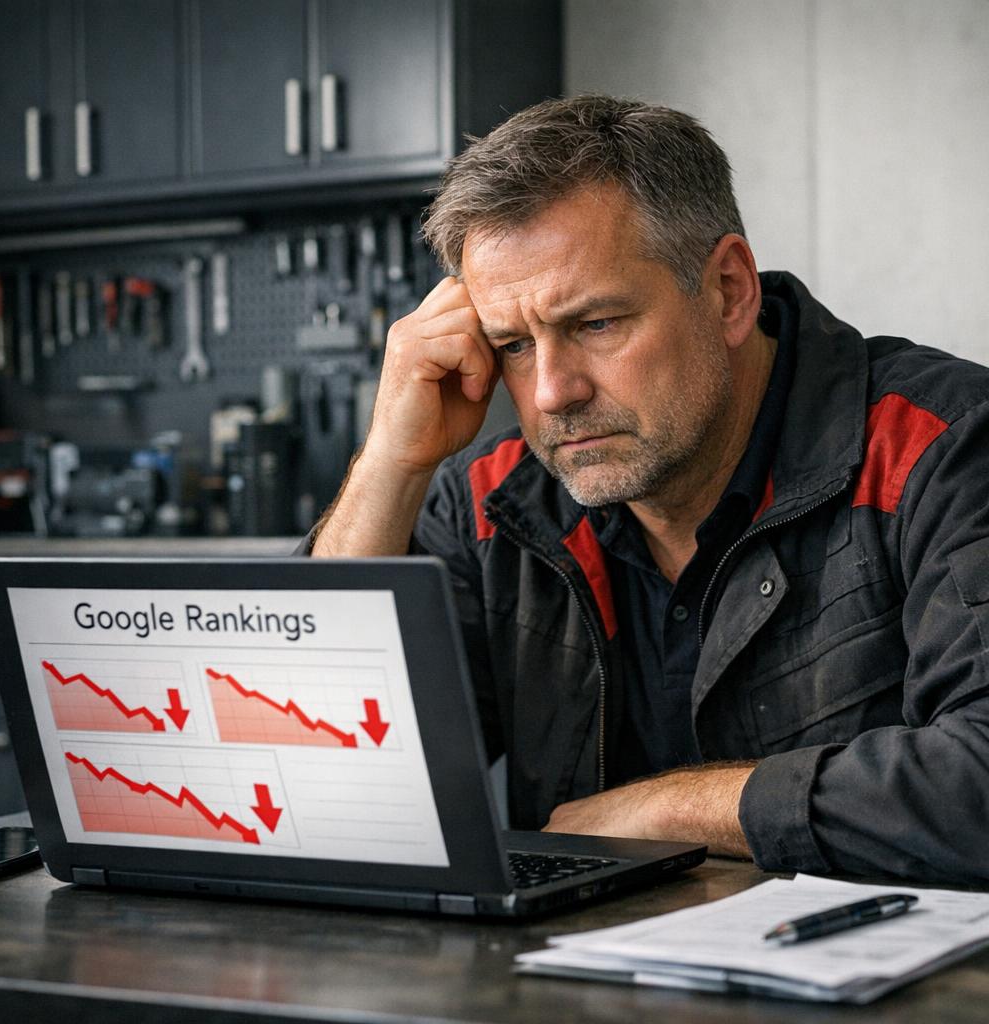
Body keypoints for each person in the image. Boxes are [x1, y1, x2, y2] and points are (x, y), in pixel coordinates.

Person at [308, 95, 989, 883]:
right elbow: (316, 782)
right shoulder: (488, 500)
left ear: (730, 290)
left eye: (596, 324)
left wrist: (671, 813)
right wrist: (391, 461)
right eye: (514, 346)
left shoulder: (941, 447)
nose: (554, 392)